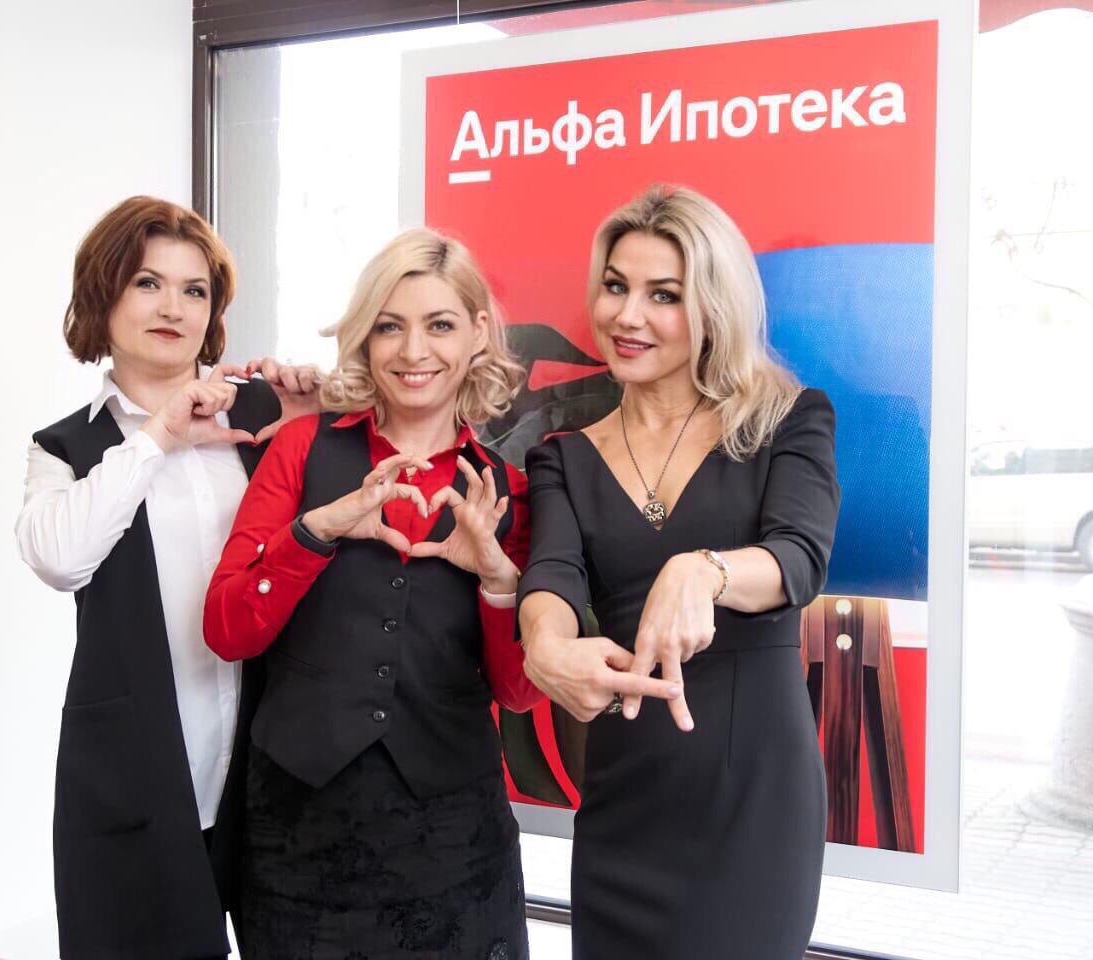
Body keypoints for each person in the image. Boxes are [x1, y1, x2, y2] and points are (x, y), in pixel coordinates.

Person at [517, 185, 840, 959]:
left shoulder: (788, 419)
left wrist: (705, 572)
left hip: (753, 802)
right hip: (625, 798)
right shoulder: (564, 455)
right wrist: (544, 646)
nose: (628, 316)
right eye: (616, 286)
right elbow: (552, 577)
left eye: (663, 295)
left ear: (712, 308)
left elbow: (800, 557)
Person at [203, 228, 541, 959]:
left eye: (439, 325)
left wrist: (497, 582)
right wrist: (315, 532)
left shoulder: (508, 491)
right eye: (390, 326)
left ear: (478, 333)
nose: (413, 351)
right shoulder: (301, 449)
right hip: (299, 844)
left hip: (457, 848)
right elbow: (227, 629)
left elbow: (517, 692)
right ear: (365, 336)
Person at [15, 196, 318, 960]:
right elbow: (59, 557)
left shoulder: (261, 420)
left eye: (194, 290)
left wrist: (317, 415)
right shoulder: (67, 447)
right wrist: (158, 435)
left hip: (265, 780)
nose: (173, 308)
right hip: (130, 789)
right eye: (148, 283)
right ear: (104, 294)